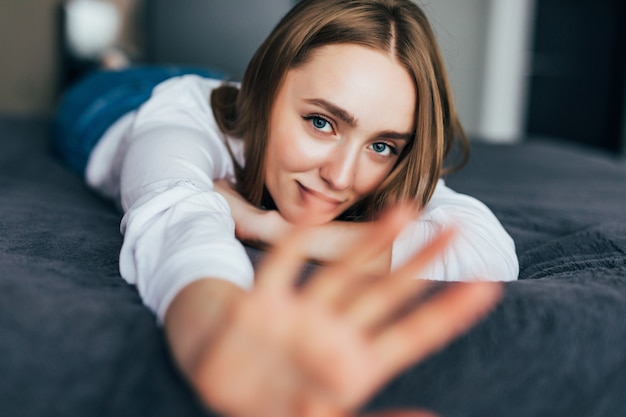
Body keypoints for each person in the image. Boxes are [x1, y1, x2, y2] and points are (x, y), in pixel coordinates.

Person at [52, 0, 518, 416]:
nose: (341, 176)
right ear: (268, 92)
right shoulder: (177, 126)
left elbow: (483, 249)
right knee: (103, 75)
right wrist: (222, 338)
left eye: (380, 145)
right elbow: (178, 219)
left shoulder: (387, 159)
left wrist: (268, 229)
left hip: (231, 86)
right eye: (321, 122)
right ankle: (114, 63)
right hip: (118, 101)